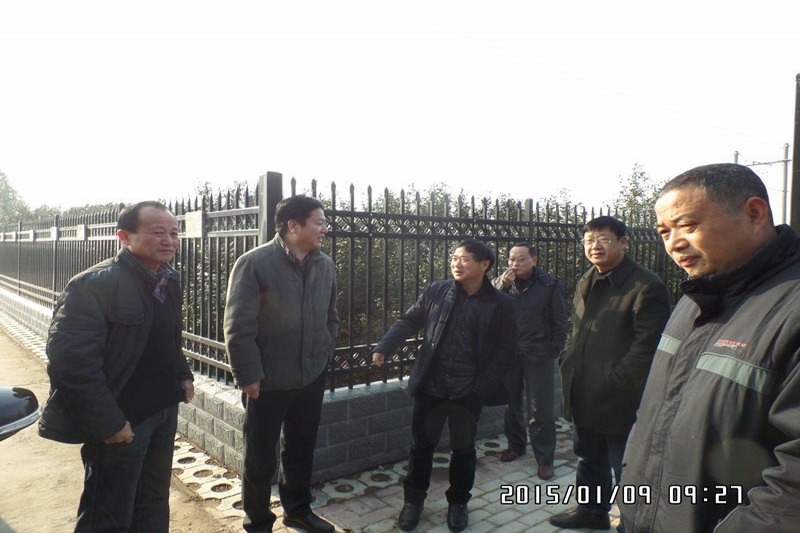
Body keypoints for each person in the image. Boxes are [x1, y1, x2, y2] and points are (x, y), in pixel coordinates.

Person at [620, 163, 800, 532]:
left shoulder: (791, 308)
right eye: (664, 232)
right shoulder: (694, 298)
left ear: (754, 214)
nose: (673, 243)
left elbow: (791, 487)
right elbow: (656, 413)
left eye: (687, 225)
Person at [39, 201, 195, 532]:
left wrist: (182, 374)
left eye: (173, 233)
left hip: (162, 411)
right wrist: (108, 422)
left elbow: (168, 337)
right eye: (157, 232)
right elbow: (71, 363)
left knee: (153, 500)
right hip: (122, 419)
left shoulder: (168, 279)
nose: (169, 240)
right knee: (108, 511)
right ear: (124, 237)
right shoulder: (94, 284)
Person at [372, 238, 517, 532]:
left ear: (485, 264)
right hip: (432, 386)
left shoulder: (502, 304)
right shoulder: (437, 291)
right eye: (454, 258)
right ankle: (413, 501)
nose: (456, 263)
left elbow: (506, 350)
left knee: (463, 449)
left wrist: (481, 387)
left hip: (468, 390)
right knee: (421, 447)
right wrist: (384, 346)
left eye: (464, 259)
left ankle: (458, 502)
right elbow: (408, 320)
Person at [224, 195, 339, 533]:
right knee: (260, 457)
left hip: (310, 377)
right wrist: (248, 375)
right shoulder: (254, 263)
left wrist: (324, 353)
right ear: (293, 225)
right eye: (319, 222)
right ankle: (258, 521)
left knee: (301, 450)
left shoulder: (324, 265)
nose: (325, 229)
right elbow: (238, 326)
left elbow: (331, 317)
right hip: (267, 381)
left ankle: (298, 512)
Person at [550, 216, 670, 531]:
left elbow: (647, 345)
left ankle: (632, 524)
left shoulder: (646, 286)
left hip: (619, 398)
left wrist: (617, 381)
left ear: (623, 242)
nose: (595, 246)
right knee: (588, 458)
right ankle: (591, 512)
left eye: (603, 239)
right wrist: (567, 359)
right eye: (589, 240)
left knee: (626, 467)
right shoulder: (587, 279)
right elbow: (576, 329)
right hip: (582, 389)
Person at [492, 242, 567, 480]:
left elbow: (560, 320)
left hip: (538, 353)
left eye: (521, 259)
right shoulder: (502, 284)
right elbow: (487, 304)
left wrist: (553, 349)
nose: (515, 264)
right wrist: (502, 285)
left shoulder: (550, 284)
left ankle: (545, 458)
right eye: (511, 259)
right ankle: (516, 445)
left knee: (540, 407)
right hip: (509, 353)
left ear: (534, 260)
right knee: (511, 403)